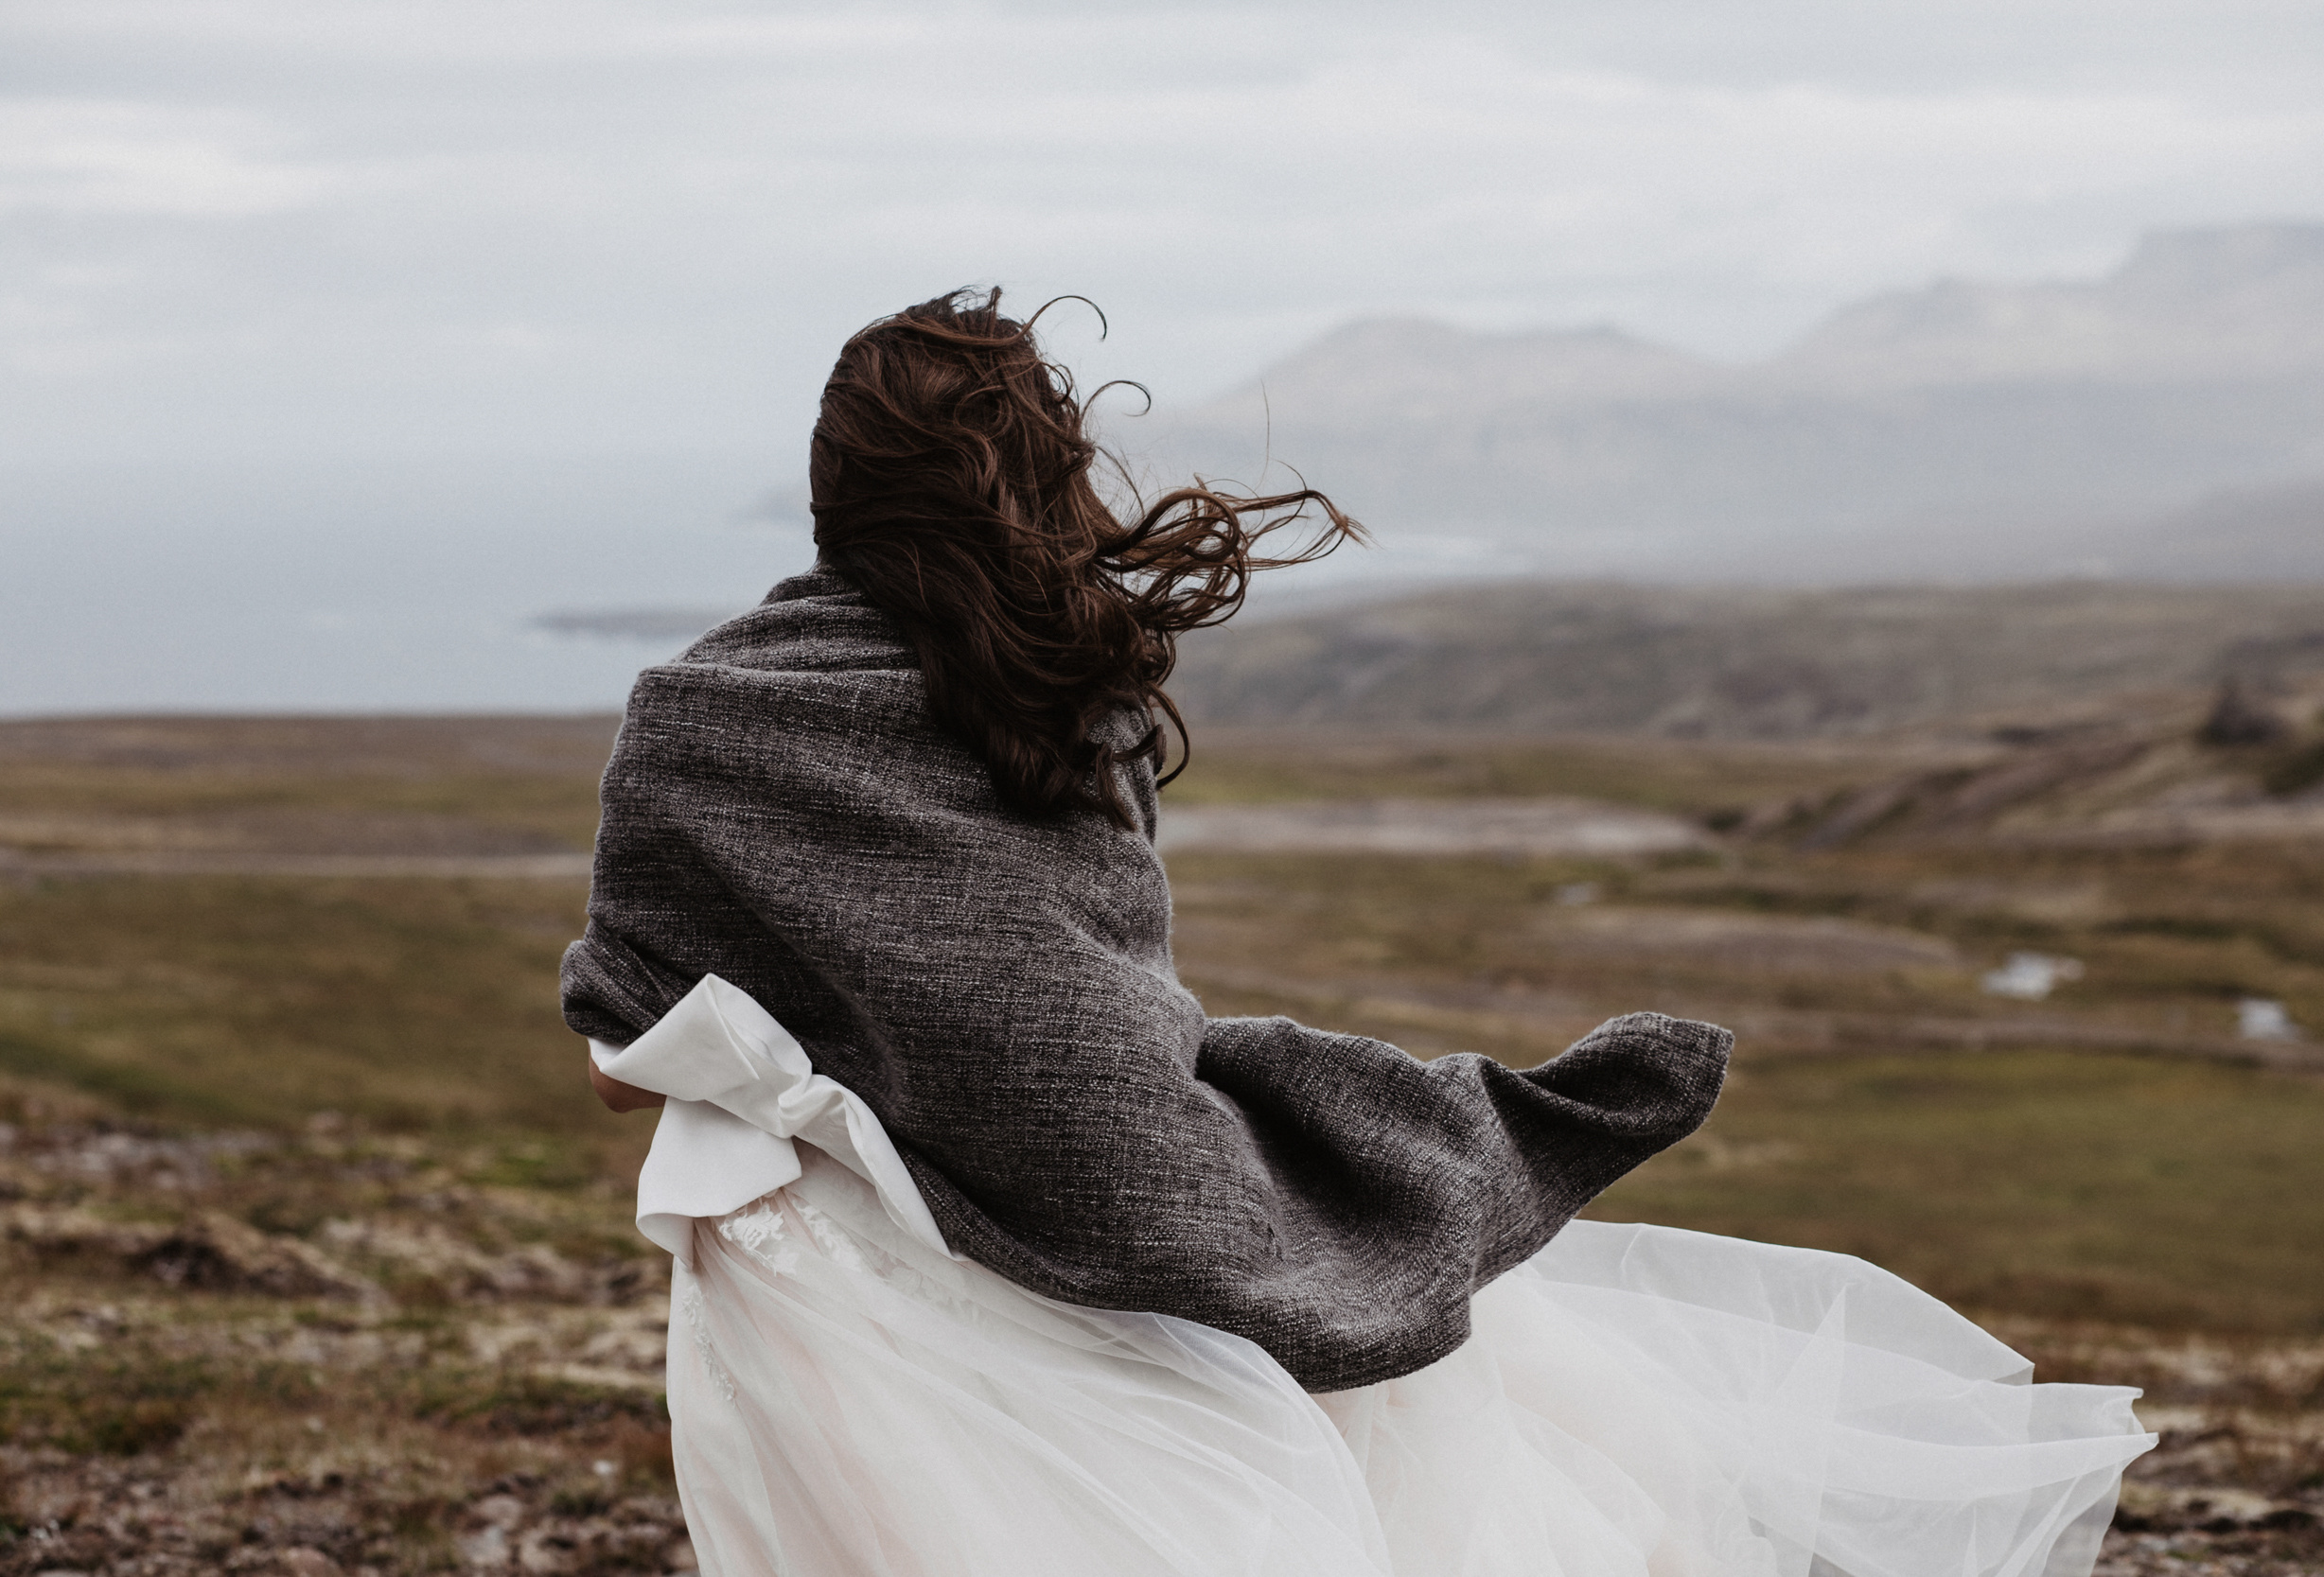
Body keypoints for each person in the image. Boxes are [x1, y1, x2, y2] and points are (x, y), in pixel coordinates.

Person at [562, 289, 2151, 1577]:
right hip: (1030, 1245)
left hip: (838, 1289)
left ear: (837, 490)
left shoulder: (695, 721)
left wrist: (811, 1076)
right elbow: (1112, 1033)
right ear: (1038, 486)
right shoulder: (1058, 699)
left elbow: (623, 1069)